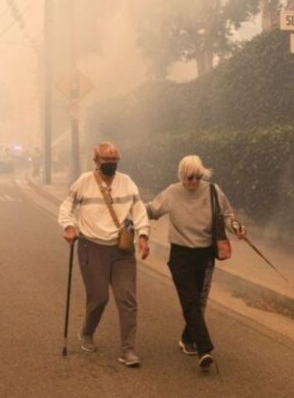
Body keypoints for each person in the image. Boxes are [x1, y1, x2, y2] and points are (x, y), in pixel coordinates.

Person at [147, 155, 246, 371]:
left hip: (205, 254)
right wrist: (130, 213)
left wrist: (236, 227)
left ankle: (187, 338)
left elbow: (227, 215)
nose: (193, 182)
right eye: (189, 178)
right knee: (190, 302)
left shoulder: (212, 191)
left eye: (197, 177)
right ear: (181, 176)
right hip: (181, 255)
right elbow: (152, 210)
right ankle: (204, 350)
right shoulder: (172, 192)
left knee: (199, 303)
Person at [57, 142, 151, 367]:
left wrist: (143, 235)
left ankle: (128, 350)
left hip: (121, 250)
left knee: (127, 299)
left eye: (114, 162)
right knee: (99, 297)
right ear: (96, 162)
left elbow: (138, 210)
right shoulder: (84, 182)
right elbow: (66, 206)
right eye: (106, 162)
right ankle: (87, 332)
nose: (111, 166)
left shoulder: (126, 182)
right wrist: (69, 226)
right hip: (92, 247)